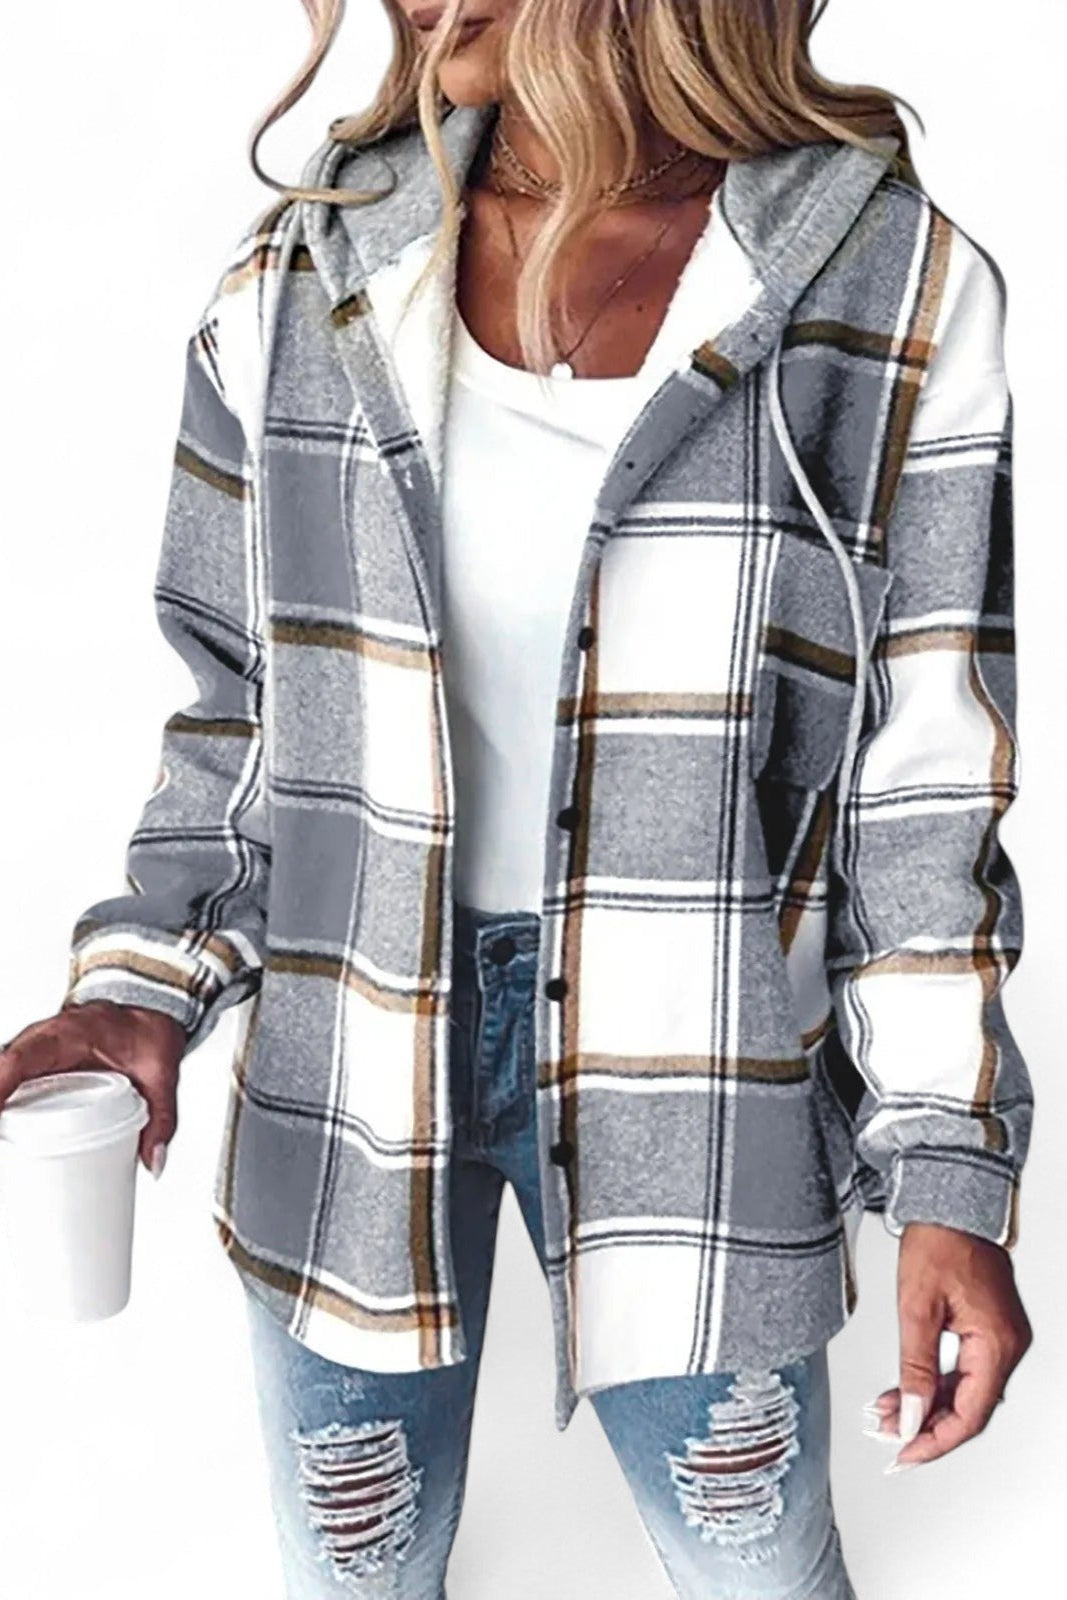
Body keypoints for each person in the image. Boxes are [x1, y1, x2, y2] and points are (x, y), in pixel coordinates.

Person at [0, 1, 1034, 1595]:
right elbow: (240, 711)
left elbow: (923, 780)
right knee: (355, 1573)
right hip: (353, 1063)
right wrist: (137, 987)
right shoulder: (307, 271)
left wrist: (949, 1171)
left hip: (700, 1073)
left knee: (756, 1567)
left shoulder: (887, 284)